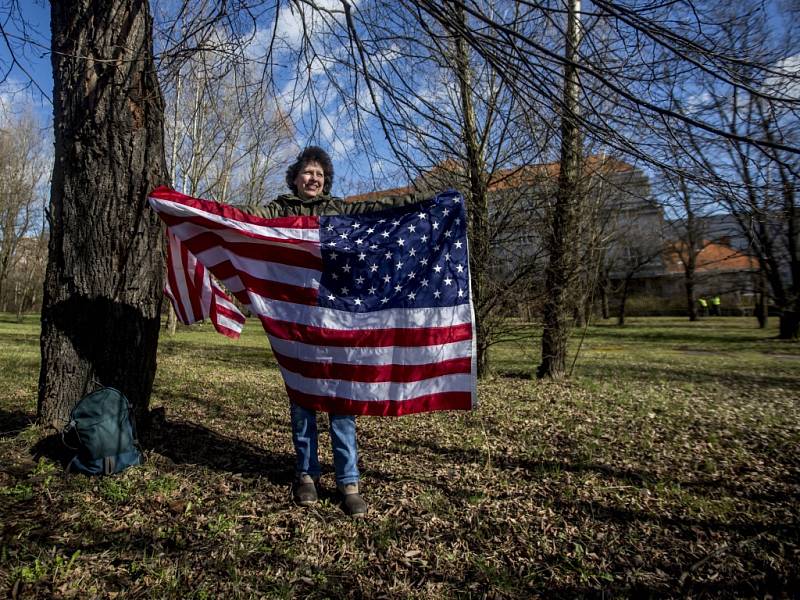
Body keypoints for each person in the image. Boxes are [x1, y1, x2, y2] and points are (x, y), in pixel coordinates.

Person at [239, 146, 422, 517]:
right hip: (297, 321)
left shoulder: (338, 209)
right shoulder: (280, 209)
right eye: (308, 173)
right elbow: (245, 217)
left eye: (320, 175)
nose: (313, 179)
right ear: (295, 177)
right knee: (303, 399)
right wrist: (206, 211)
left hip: (336, 317)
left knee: (341, 401)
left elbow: (376, 210)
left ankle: (348, 481)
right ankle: (306, 475)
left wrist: (421, 199)